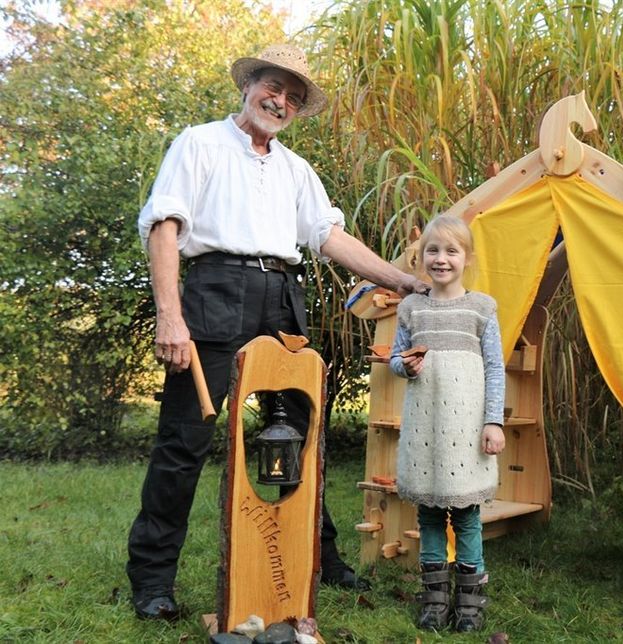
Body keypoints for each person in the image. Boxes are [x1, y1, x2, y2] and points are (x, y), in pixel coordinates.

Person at [127, 43, 429, 621]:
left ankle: (320, 559)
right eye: (273, 87)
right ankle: (153, 579)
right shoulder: (200, 143)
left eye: (292, 96)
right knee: (184, 439)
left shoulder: (296, 169)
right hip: (216, 290)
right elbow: (164, 227)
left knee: (301, 433)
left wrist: (402, 280)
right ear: (248, 86)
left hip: (283, 297)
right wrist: (171, 315)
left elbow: (329, 237)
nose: (280, 101)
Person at [388, 215, 506, 632]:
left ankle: (470, 604)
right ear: (421, 257)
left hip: (466, 431)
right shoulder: (411, 309)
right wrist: (405, 366)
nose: (441, 259)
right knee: (430, 516)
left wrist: (493, 422)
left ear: (467, 258)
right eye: (432, 251)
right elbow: (396, 359)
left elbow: (494, 368)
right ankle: (435, 601)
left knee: (467, 515)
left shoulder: (481, 309)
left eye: (451, 251)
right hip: (426, 429)